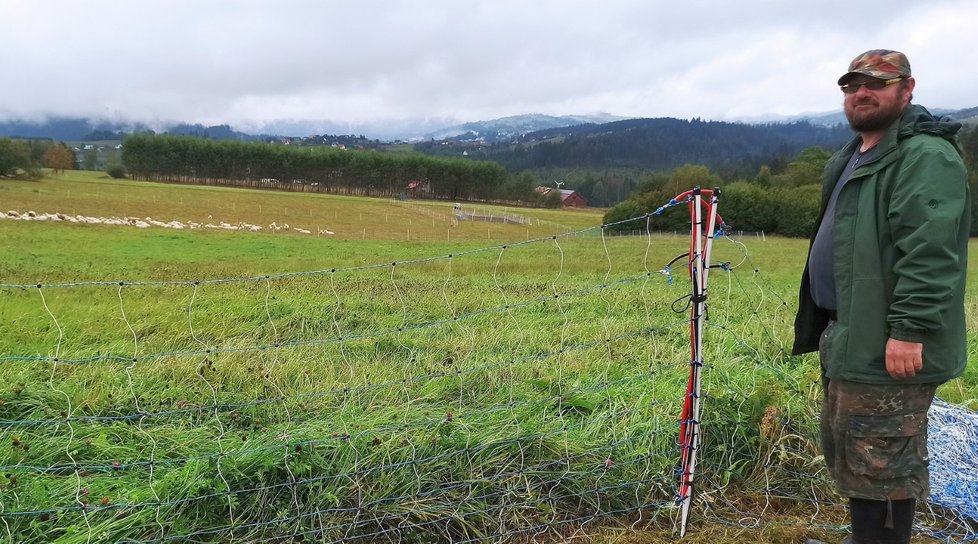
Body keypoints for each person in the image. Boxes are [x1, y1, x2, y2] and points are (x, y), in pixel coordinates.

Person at [794, 49, 971, 544]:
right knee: (857, 450)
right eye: (852, 85)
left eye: (876, 82)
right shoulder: (855, 154)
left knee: (885, 459)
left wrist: (908, 331)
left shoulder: (923, 157)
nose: (862, 93)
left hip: (888, 340)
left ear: (907, 89)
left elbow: (930, 253)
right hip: (849, 330)